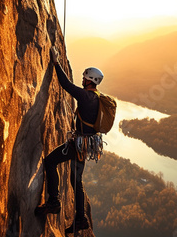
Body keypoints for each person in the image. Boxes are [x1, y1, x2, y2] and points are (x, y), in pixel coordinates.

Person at [35, 47, 103, 233]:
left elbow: (66, 84)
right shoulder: (96, 97)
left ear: (91, 81)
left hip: (78, 145)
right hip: (86, 146)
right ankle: (80, 220)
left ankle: (53, 202)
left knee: (50, 161)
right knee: (76, 182)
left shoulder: (85, 96)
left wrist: (56, 62)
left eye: (85, 78)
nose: (83, 80)